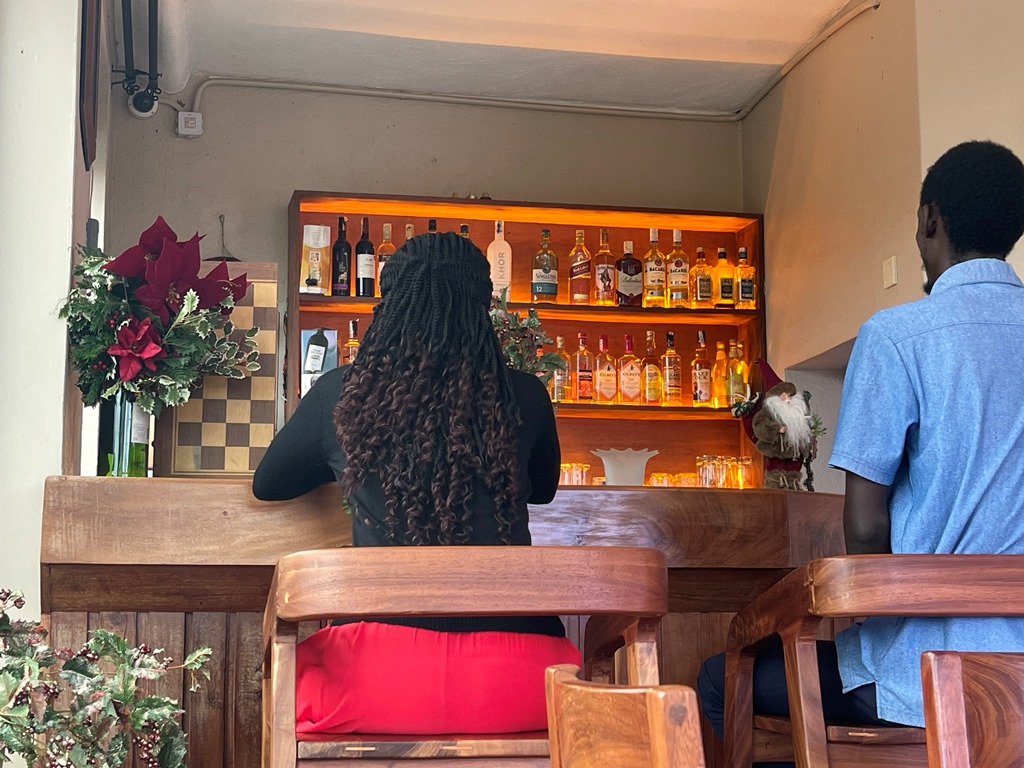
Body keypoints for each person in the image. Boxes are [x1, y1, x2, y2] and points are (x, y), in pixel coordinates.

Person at [697, 139, 1024, 760]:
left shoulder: (897, 337)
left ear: (930, 219)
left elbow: (866, 526)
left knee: (723, 677)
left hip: (924, 669)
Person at [253, 231, 577, 735]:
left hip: (377, 678)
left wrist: (352, 461)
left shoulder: (343, 394)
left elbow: (269, 484)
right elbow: (541, 488)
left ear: (392, 303)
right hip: (523, 680)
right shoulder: (525, 396)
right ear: (481, 306)